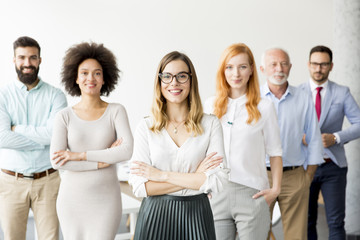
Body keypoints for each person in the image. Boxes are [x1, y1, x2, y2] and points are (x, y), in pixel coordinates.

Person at [129, 51, 228, 240]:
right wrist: (196, 178)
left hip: (196, 215)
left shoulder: (210, 124)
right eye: (167, 76)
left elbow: (217, 180)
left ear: (191, 81)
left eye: (182, 76)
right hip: (155, 215)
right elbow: (140, 187)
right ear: (160, 82)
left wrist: (161, 176)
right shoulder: (146, 126)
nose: (174, 83)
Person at [50, 42, 133, 240]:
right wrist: (103, 161)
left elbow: (127, 150)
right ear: (76, 78)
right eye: (84, 73)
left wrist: (79, 156)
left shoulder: (116, 111)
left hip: (106, 200)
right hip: (71, 200)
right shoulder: (64, 116)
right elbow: (57, 161)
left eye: (97, 73)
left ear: (105, 78)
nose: (91, 78)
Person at [204, 43, 283, 239]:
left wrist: (275, 190)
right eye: (229, 67)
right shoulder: (210, 105)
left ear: (251, 70)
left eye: (242, 67)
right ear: (223, 71)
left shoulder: (264, 107)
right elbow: (203, 150)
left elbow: (275, 153)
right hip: (216, 193)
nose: (236, 73)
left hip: (252, 194)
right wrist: (203, 186)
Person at [0, 36, 67, 240]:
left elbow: (56, 136)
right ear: (14, 60)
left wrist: (17, 128)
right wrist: (43, 138)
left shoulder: (56, 96)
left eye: (32, 57)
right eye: (22, 57)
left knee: (50, 237)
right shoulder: (2, 95)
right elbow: (2, 138)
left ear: (40, 60)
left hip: (47, 179)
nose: (27, 63)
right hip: (11, 181)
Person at [259, 47, 323, 240]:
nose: (279, 68)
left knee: (297, 235)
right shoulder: (253, 98)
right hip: (261, 175)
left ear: (291, 67)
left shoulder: (303, 97)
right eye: (273, 64)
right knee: (258, 233)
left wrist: (308, 176)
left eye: (284, 63)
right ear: (262, 69)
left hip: (295, 175)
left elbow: (314, 138)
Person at [299, 45, 360, 240]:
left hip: (333, 166)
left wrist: (336, 137)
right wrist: (299, 137)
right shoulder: (296, 92)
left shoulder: (342, 92)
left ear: (331, 66)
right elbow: (282, 126)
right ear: (308, 65)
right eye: (315, 64)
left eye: (323, 64)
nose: (318, 69)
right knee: (306, 221)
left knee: (335, 222)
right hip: (303, 166)